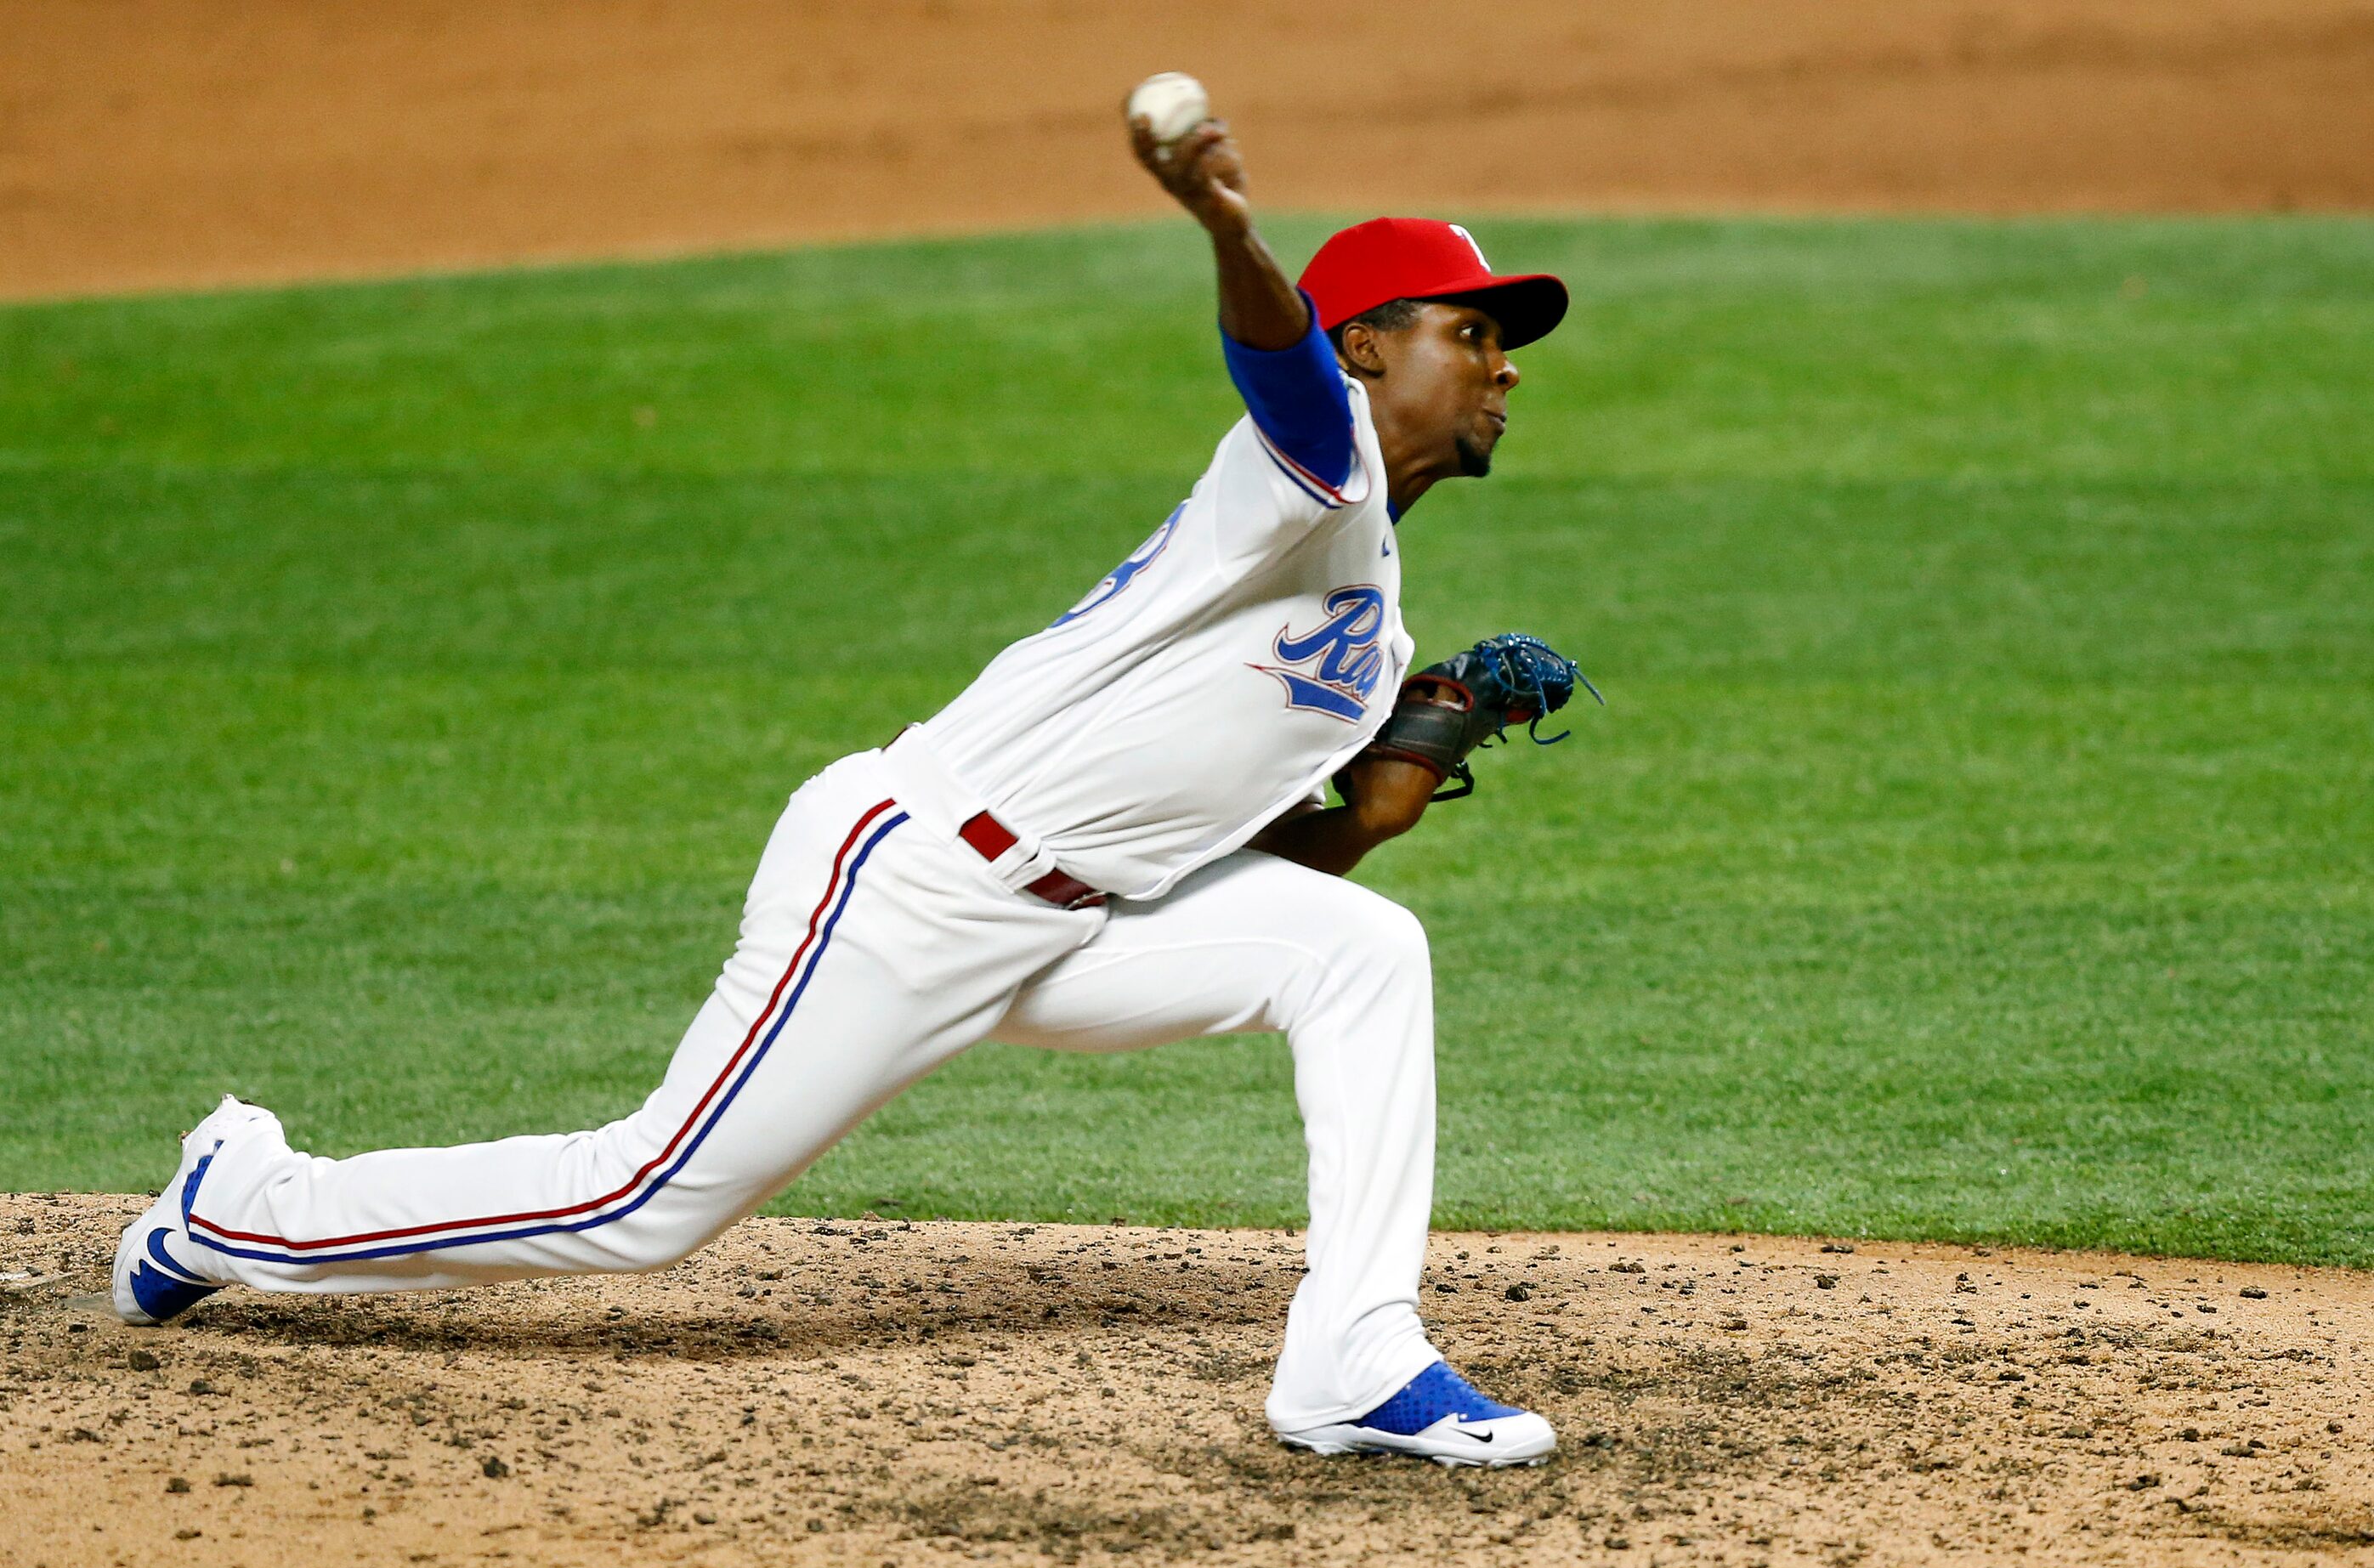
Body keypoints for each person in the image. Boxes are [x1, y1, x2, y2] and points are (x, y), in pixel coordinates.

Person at [112, 104, 1572, 1469]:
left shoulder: (1365, 618)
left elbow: (1193, 850)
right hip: (912, 880)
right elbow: (1272, 354)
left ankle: (1353, 1358)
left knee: (1365, 954)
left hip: (1069, 922)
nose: (1503, 363)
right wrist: (1219, 222)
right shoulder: (1302, 473)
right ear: (1366, 347)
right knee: (642, 1205)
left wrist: (1365, 818)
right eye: (1472, 330)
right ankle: (237, 1205)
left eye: (1506, 342)